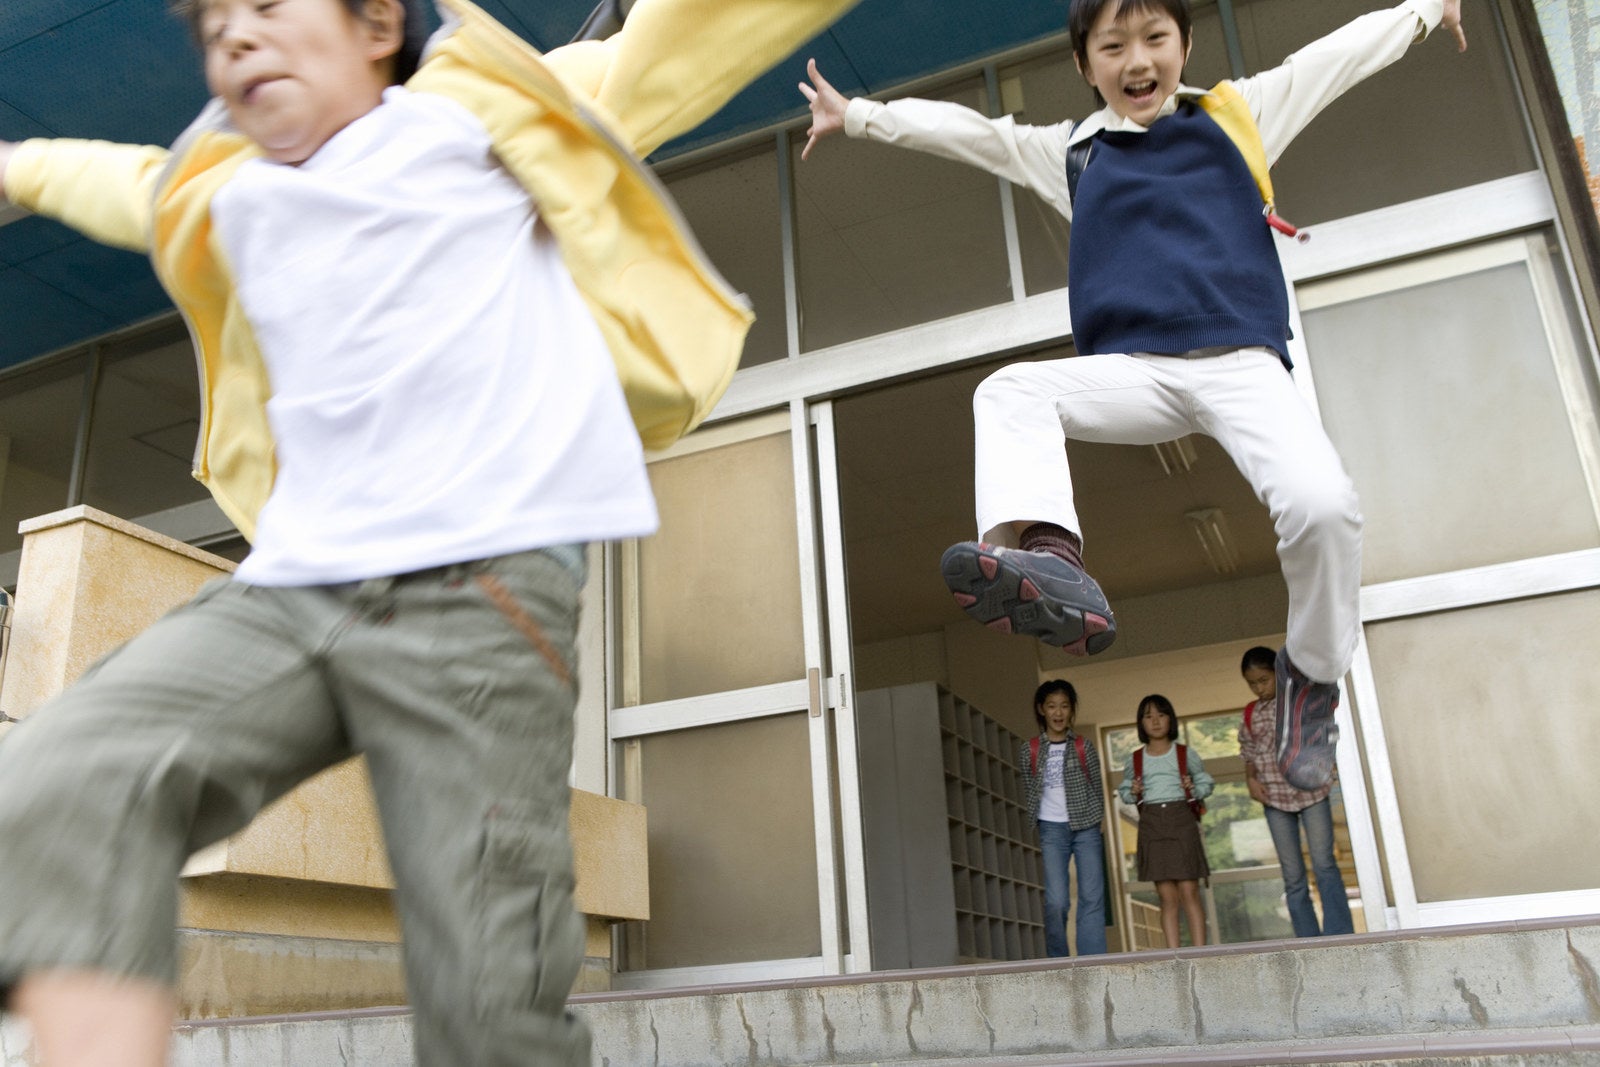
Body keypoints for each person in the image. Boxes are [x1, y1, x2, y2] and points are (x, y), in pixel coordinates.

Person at [0, 0, 857, 1062]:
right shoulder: (230, 193)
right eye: (213, 25)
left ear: (373, 24)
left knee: (485, 998)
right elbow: (120, 184)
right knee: (62, 782)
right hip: (292, 590)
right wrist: (15, 165)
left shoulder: (477, 115)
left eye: (267, 7)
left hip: (479, 594)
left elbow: (674, 40)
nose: (234, 37)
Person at [798, 0, 1469, 794]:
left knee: (1324, 506)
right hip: (1135, 372)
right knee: (1009, 390)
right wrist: (860, 115)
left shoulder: (1239, 113)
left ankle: (1312, 681)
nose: (1136, 60)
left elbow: (1337, 55)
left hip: (1242, 363)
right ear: (1086, 66)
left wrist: (1428, 8)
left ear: (1184, 44)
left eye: (1154, 39)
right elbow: (967, 134)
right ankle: (1049, 559)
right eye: (1113, 46)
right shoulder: (1071, 152)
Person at [1238, 645, 1354, 938]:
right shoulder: (1252, 713)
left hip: (1312, 792)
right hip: (1274, 798)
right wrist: (1251, 780)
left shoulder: (1299, 702)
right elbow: (1248, 751)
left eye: (1263, 680)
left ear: (1278, 674)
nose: (1258, 688)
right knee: (1293, 875)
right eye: (1252, 683)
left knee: (1324, 863)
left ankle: (1339, 934)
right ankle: (1308, 939)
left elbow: (1322, 735)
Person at [1018, 679, 1107, 957]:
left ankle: (1092, 961)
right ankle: (1058, 962)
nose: (1058, 713)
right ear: (1041, 709)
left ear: (1071, 710)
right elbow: (1028, 789)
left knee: (1092, 896)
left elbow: (1097, 786)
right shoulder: (1029, 749)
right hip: (1051, 830)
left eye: (1065, 706)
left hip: (1086, 827)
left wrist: (1100, 820)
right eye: (1052, 706)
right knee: (1056, 901)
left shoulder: (1084, 746)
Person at [1117, 694, 1213, 948]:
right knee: (1166, 895)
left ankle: (1201, 952)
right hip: (1151, 823)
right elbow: (1124, 791)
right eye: (1148, 716)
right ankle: (1174, 955)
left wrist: (1194, 788)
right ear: (1141, 723)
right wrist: (1134, 791)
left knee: (1189, 890)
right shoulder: (1135, 759)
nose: (1155, 721)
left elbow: (1205, 781)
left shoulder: (1184, 753)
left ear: (1170, 719)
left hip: (1181, 819)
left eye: (1161, 715)